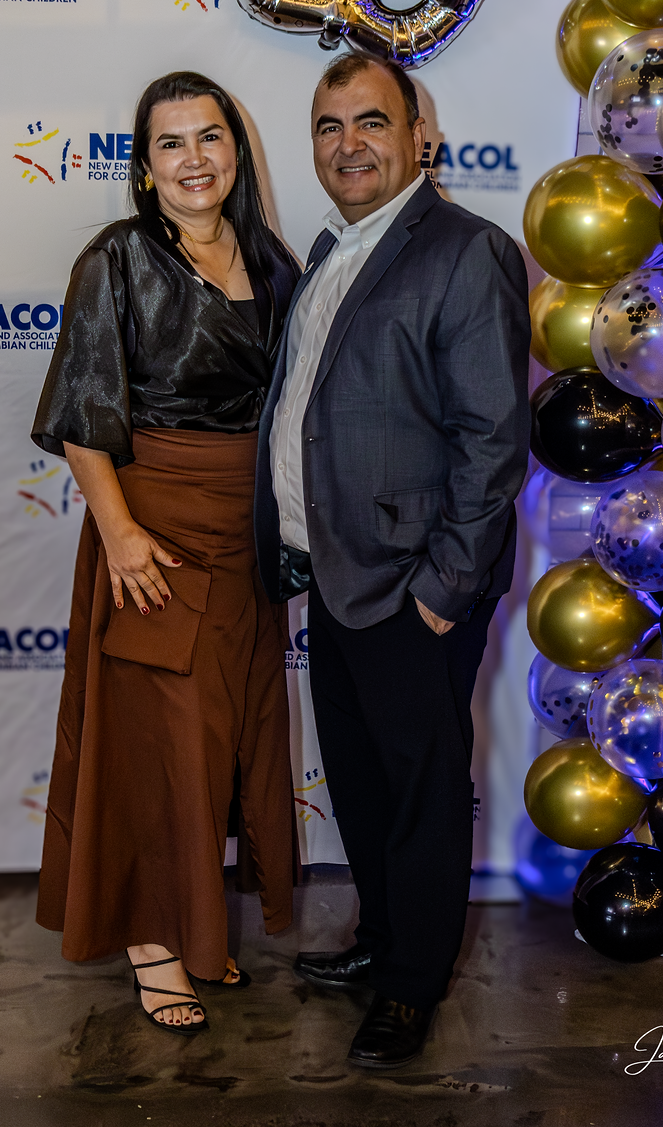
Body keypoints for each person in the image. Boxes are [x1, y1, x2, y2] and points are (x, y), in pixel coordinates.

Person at [254, 54, 530, 1068]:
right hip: (336, 572)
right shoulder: (333, 248)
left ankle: (413, 985)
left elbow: (492, 439)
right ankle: (381, 937)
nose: (349, 144)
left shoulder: (467, 250)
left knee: (420, 789)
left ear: (421, 136)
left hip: (413, 583)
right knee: (363, 781)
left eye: (371, 121)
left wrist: (445, 589)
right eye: (329, 127)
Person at [32, 71, 299, 1034]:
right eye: (171, 143)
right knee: (154, 745)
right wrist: (120, 535)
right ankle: (153, 943)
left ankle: (197, 925)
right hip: (155, 535)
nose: (194, 159)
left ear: (238, 150)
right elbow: (82, 416)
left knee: (224, 743)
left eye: (209, 137)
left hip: (247, 535)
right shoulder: (118, 257)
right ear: (145, 168)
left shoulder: (271, 260)